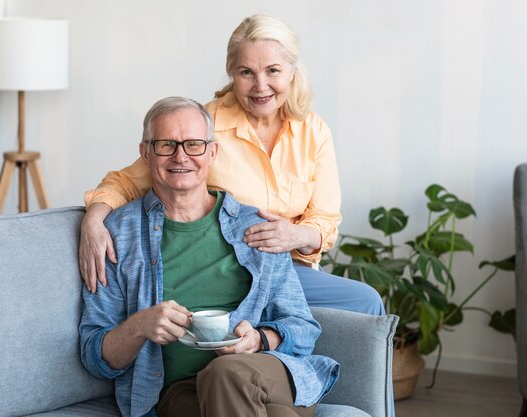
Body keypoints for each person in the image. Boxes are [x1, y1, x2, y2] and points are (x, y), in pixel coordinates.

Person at [80, 14, 385, 316]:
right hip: (228, 265)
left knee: (365, 302)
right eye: (246, 72)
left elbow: (325, 219)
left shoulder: (313, 130)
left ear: (292, 71)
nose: (260, 85)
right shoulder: (205, 126)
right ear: (231, 74)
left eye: (273, 70)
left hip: (290, 268)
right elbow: (127, 181)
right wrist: (93, 221)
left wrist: (297, 236)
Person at [79, 97, 339, 417]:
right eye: (166, 145)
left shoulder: (257, 229)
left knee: (225, 372)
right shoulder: (117, 237)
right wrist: (138, 327)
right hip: (181, 394)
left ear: (212, 152)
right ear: (145, 152)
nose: (181, 156)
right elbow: (94, 357)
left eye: (194, 145)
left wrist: (257, 340)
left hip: (264, 373)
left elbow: (302, 327)